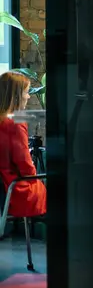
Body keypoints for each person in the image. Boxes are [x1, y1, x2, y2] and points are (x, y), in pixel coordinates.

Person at [0, 71, 46, 219]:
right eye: (26, 92)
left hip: (4, 186)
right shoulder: (15, 123)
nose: (29, 96)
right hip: (16, 189)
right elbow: (26, 168)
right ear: (16, 96)